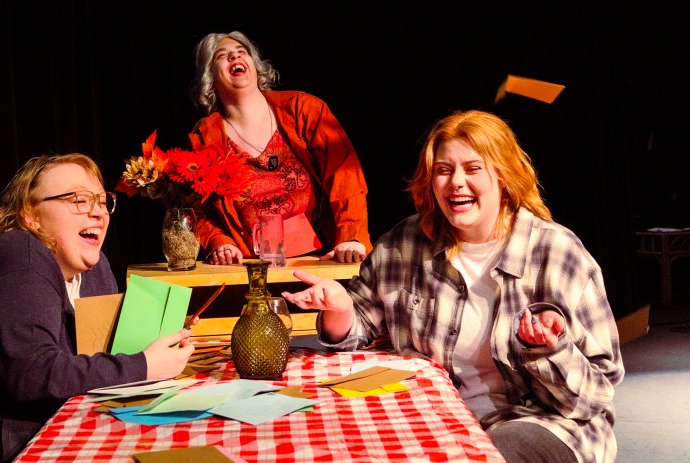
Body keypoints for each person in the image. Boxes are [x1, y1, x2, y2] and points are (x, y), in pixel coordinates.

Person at [281, 110, 624, 463]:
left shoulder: (558, 253)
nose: (456, 182)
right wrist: (341, 309)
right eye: (444, 170)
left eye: (473, 169)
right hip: (434, 414)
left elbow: (595, 396)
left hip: (540, 420)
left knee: (496, 452)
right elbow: (358, 330)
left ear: (503, 176)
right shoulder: (404, 243)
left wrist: (551, 350)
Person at [0, 153, 195, 463]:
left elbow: (96, 362)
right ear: (31, 215)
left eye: (102, 201)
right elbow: (35, 375)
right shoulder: (18, 255)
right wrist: (144, 364)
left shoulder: (95, 272)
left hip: (32, 441)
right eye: (79, 200)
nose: (98, 213)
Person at [188, 30, 373, 265]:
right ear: (210, 78)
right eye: (222, 56)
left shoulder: (303, 110)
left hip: (318, 260)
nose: (235, 57)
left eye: (242, 52)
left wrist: (351, 235)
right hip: (251, 266)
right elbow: (196, 209)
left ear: (255, 66)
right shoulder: (205, 138)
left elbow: (345, 175)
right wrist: (219, 242)